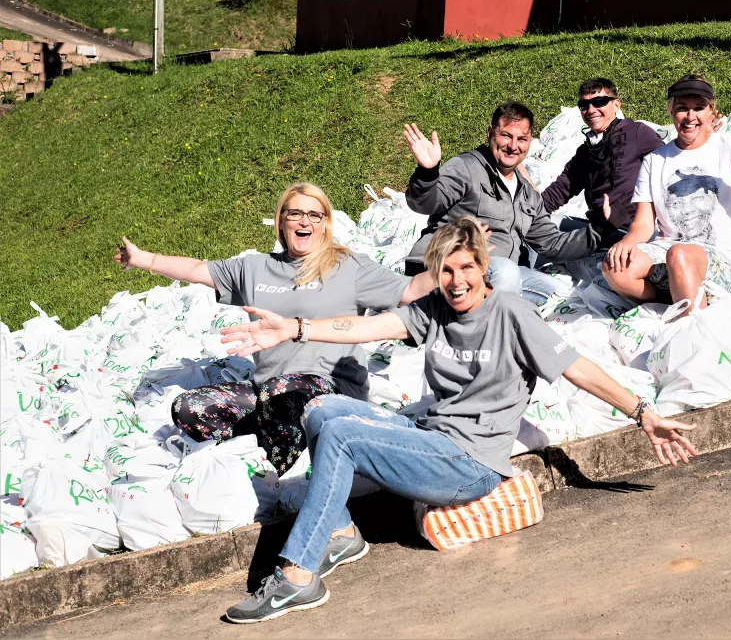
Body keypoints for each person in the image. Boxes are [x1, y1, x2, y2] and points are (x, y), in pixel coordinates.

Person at [218, 216, 697, 624]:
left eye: (466, 267)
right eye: (446, 270)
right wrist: (295, 327)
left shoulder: (512, 314)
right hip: (433, 438)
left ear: (484, 268)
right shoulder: (434, 308)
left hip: (471, 463)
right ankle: (341, 534)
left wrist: (643, 413)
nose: (457, 280)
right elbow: (365, 326)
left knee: (342, 435)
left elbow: (577, 368)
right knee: (322, 408)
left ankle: (298, 575)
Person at [113, 182, 428, 475]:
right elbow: (198, 270)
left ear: (325, 223)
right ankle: (267, 449)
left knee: (280, 394)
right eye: (295, 213)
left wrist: (453, 270)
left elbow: (410, 290)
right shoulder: (255, 268)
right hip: (269, 392)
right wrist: (143, 259)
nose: (305, 222)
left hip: (332, 391)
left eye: (315, 215)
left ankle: (285, 480)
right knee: (189, 407)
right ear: (281, 221)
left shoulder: (348, 267)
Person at [401, 101, 617, 306]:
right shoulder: (466, 167)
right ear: (490, 133)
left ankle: (496, 311)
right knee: (506, 272)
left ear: (529, 142)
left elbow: (552, 244)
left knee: (558, 293)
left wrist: (599, 229)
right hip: (445, 266)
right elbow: (425, 204)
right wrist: (427, 173)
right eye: (506, 135)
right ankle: (476, 324)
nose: (513, 146)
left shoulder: (527, 195)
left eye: (522, 139)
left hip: (496, 274)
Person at [602, 75, 731, 311]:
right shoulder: (655, 160)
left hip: (725, 259)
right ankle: (679, 301)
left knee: (680, 255)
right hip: (671, 252)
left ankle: (691, 323)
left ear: (711, 111)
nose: (690, 116)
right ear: (670, 110)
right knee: (615, 267)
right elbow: (644, 223)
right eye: (682, 108)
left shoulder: (728, 148)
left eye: (699, 108)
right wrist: (627, 241)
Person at [540, 78, 666, 246]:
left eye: (599, 101)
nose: (591, 110)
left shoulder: (637, 133)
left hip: (631, 233)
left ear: (616, 105)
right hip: (598, 230)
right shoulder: (586, 152)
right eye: (584, 105)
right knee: (538, 226)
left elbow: (668, 169)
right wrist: (527, 213)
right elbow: (561, 189)